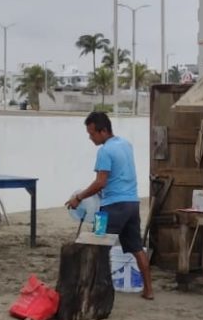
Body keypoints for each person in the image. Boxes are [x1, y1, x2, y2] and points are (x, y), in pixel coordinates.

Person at [66, 112, 154, 299]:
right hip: (132, 204)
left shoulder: (104, 151)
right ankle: (148, 290)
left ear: (103, 131)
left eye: (92, 134)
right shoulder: (125, 144)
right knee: (137, 248)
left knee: (97, 247)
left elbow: (100, 182)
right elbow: (117, 175)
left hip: (112, 206)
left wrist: (78, 198)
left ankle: (97, 289)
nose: (90, 138)